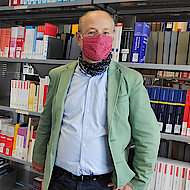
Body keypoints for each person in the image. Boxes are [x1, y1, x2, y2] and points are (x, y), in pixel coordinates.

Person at [32, 10, 160, 190]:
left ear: (114, 36)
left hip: (102, 183)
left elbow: (148, 134)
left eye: (106, 32)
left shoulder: (130, 79)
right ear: (78, 38)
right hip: (59, 178)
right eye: (91, 32)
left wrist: (138, 181)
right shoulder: (59, 75)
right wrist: (38, 157)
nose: (100, 38)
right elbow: (47, 120)